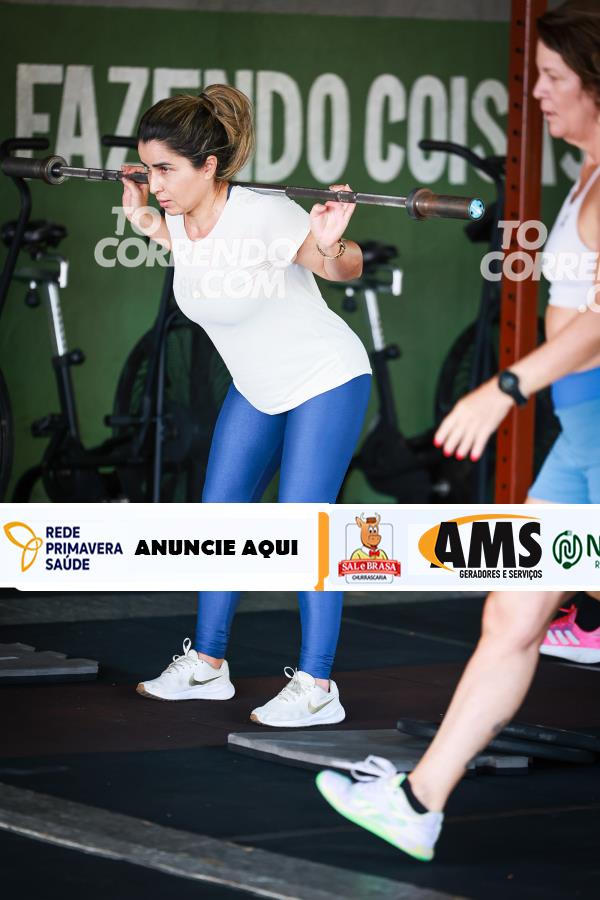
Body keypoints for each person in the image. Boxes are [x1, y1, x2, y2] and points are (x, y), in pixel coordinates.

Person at [316, 0, 600, 860]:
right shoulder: (585, 174)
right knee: (510, 615)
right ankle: (420, 801)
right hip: (579, 432)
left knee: (521, 612)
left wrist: (505, 388)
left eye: (552, 77)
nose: (538, 93)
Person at [121, 85, 372, 726]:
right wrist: (142, 219)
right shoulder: (180, 216)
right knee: (220, 522)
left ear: (209, 166)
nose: (155, 183)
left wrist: (330, 241)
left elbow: (342, 269)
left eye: (165, 170)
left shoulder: (265, 212)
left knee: (302, 524)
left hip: (324, 379)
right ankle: (207, 665)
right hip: (257, 387)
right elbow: (198, 258)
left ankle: (317, 686)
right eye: (148, 169)